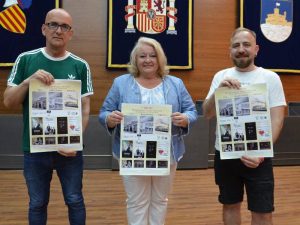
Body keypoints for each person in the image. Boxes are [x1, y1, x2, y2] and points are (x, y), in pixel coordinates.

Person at [3, 8, 93, 225]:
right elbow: (8, 101)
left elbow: (85, 109)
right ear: (44, 29)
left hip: (69, 150)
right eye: (53, 24)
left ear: (70, 33)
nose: (58, 30)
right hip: (35, 149)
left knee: (74, 200)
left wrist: (76, 140)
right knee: (37, 203)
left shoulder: (80, 65)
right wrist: (28, 81)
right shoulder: (25, 60)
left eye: (64, 26)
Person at [99, 37, 198, 225]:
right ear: (135, 59)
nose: (147, 60)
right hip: (133, 154)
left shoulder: (175, 83)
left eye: (153, 55)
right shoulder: (121, 83)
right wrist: (109, 119)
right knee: (136, 201)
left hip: (166, 153)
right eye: (142, 56)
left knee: (160, 200)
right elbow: (104, 112)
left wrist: (185, 119)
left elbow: (191, 111)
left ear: (160, 59)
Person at [202, 27, 286, 225]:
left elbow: (277, 119)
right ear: (230, 50)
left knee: (263, 211)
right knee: (230, 205)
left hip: (259, 157)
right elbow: (207, 113)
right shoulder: (220, 76)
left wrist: (261, 153)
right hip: (226, 155)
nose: (241, 49)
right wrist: (218, 92)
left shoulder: (271, 78)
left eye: (246, 45)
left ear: (256, 49)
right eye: (236, 45)